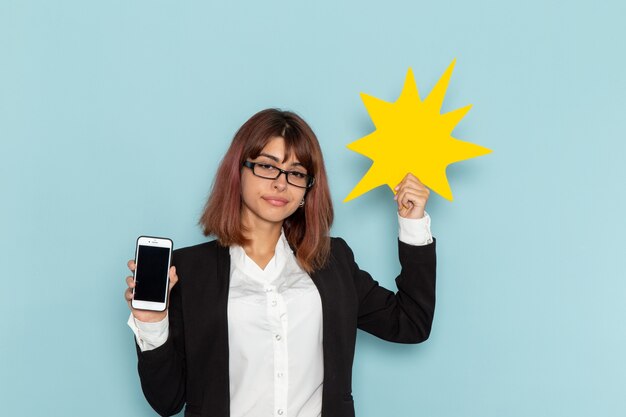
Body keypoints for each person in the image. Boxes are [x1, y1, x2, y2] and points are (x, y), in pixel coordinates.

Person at [124, 109, 436, 417]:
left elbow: (410, 323)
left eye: (296, 173)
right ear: (239, 171)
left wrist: (413, 224)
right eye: (266, 166)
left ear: (306, 190)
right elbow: (167, 401)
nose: (280, 183)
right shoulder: (189, 270)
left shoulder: (333, 260)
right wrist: (151, 324)